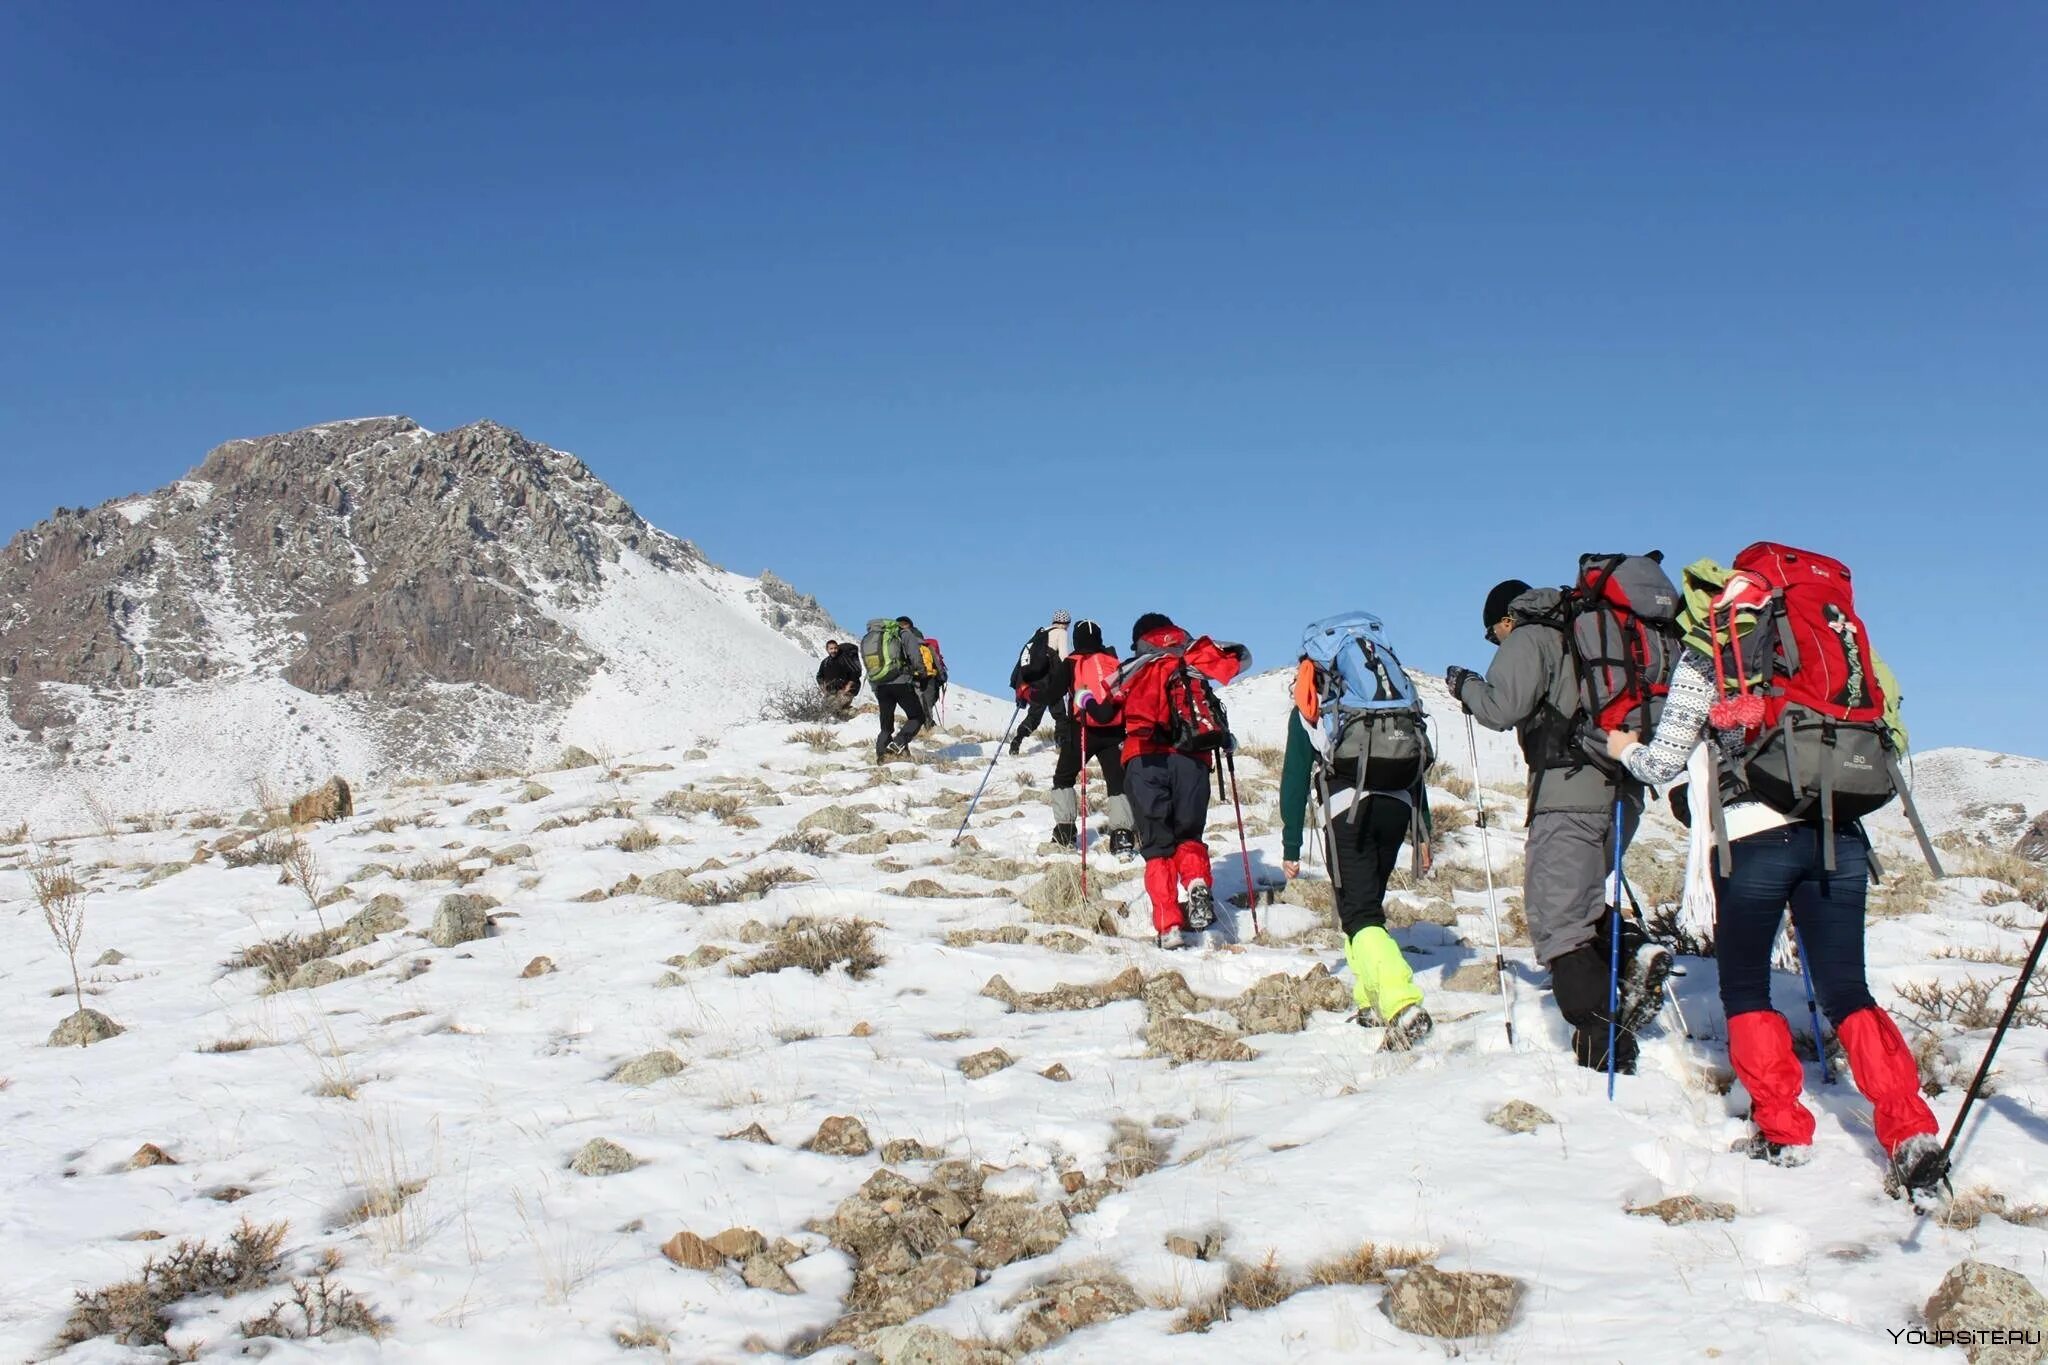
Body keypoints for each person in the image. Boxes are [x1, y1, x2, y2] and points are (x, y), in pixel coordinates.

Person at [1605, 567, 1946, 1197]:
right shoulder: (1841, 648)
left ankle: (1785, 1128)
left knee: (1745, 985)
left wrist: (1624, 746)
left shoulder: (1717, 651)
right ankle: (1910, 1130)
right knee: (1848, 990)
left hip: (1752, 839)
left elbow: (1662, 763)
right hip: (1837, 833)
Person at [1447, 579, 1671, 1074]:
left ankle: (1602, 1043)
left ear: (1506, 618)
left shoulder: (1532, 636)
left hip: (1569, 791)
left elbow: (1500, 708)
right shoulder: (1593, 633)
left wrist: (1464, 685)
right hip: (1624, 789)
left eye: (1493, 634)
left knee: (1558, 920)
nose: (1496, 642)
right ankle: (1634, 955)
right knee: (1581, 899)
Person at [1278, 656, 1433, 1049]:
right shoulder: (1386, 707)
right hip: (1397, 806)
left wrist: (1291, 844)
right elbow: (1413, 766)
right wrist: (1424, 830)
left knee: (1360, 912)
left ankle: (1402, 1003)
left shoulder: (1315, 707)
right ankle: (1370, 1000)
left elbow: (1295, 778)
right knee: (1362, 906)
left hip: (1349, 809)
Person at [1116, 612, 1250, 949]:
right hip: (1192, 758)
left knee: (1157, 846)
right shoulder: (1191, 658)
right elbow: (1239, 661)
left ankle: (1169, 925)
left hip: (1144, 759)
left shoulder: (1136, 666)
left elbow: (1107, 710)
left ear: (1140, 639)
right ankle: (1195, 885)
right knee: (1188, 835)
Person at [1044, 619, 1135, 855]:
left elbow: (1052, 692)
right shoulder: (1114, 662)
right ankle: (1122, 836)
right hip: (1114, 731)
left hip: (1082, 729)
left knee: (1064, 777)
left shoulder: (1072, 662)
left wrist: (1030, 692)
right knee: (1117, 781)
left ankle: (1065, 833)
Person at [871, 615, 934, 762]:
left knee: (886, 725)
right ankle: (899, 742)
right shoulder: (904, 634)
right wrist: (922, 674)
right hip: (900, 682)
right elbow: (915, 656)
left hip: (881, 685)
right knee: (917, 716)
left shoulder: (873, 639)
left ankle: (882, 755)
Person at [1009, 610, 1072, 754]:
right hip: (1049, 680)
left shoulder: (1040, 632)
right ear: (1067, 623)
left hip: (1034, 680)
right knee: (1060, 714)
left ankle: (1017, 739)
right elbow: (1063, 657)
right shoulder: (1061, 632)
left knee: (1034, 715)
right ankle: (1061, 744)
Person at [816, 640, 861, 707]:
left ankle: (862, 713)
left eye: (835, 648)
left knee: (836, 707)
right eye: (831, 649)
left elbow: (854, 673)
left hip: (846, 690)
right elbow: (819, 676)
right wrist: (824, 689)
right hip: (832, 691)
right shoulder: (825, 662)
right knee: (825, 708)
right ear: (827, 650)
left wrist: (848, 686)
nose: (833, 650)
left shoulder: (844, 660)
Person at [917, 636, 948, 727]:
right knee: (928, 703)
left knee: (920, 702)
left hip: (916, 676)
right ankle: (928, 725)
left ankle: (921, 723)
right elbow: (938, 665)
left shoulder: (913, 646)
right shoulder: (931, 646)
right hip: (930, 677)